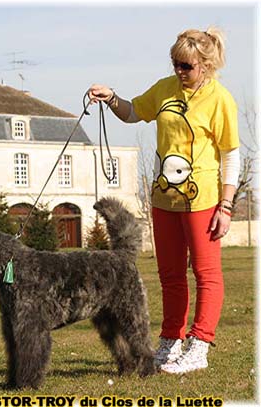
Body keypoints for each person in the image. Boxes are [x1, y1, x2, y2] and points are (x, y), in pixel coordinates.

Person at [87, 27, 240, 374]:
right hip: (163, 201)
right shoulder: (164, 89)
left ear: (205, 64)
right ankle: (171, 341)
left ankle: (199, 345)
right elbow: (131, 112)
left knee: (206, 274)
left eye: (185, 66)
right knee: (170, 275)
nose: (179, 71)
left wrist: (226, 207)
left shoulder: (220, 99)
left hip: (203, 203)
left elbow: (231, 155)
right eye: (175, 64)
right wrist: (111, 97)